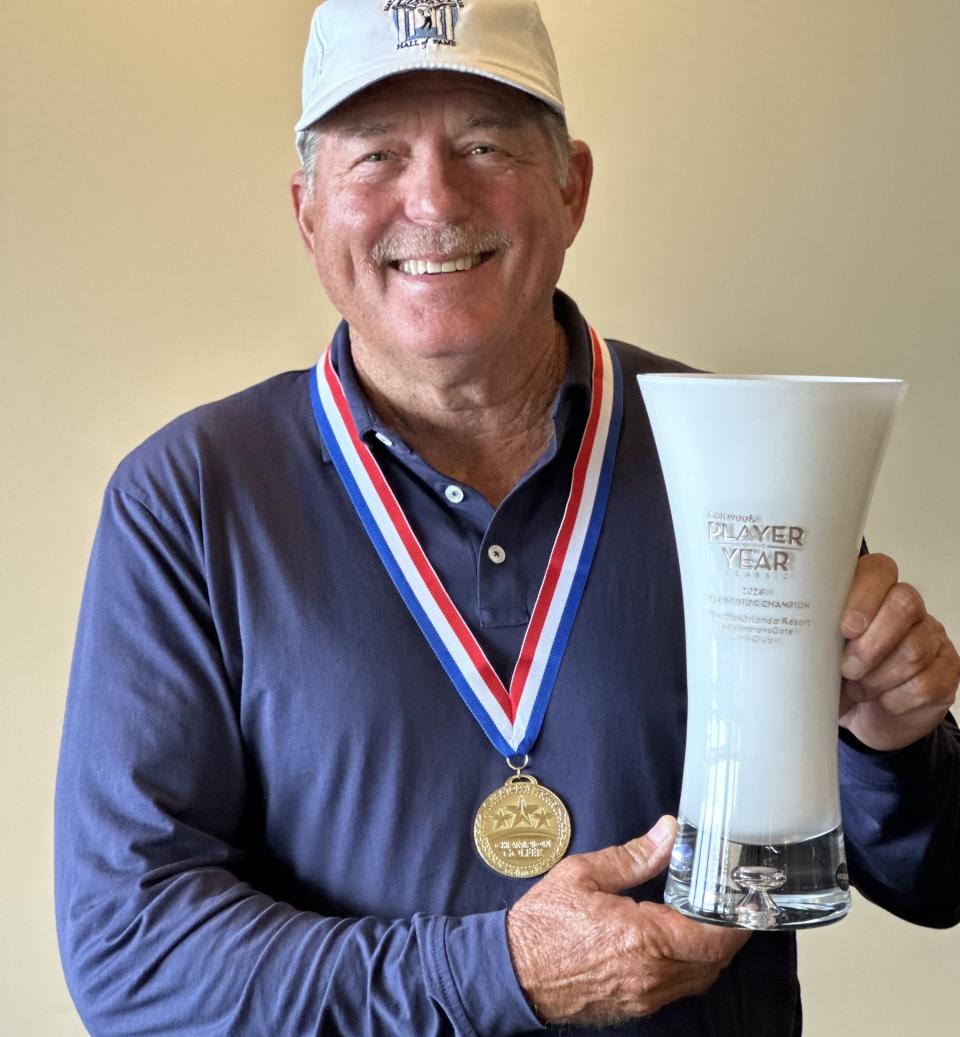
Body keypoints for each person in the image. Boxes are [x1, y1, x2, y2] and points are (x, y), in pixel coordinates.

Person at [55, 2, 960, 1034]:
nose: (434, 198)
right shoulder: (188, 496)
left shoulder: (742, 457)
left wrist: (891, 747)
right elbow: (133, 952)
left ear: (572, 186)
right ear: (308, 212)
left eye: (484, 144)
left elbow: (936, 878)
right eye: (378, 156)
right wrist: (498, 970)